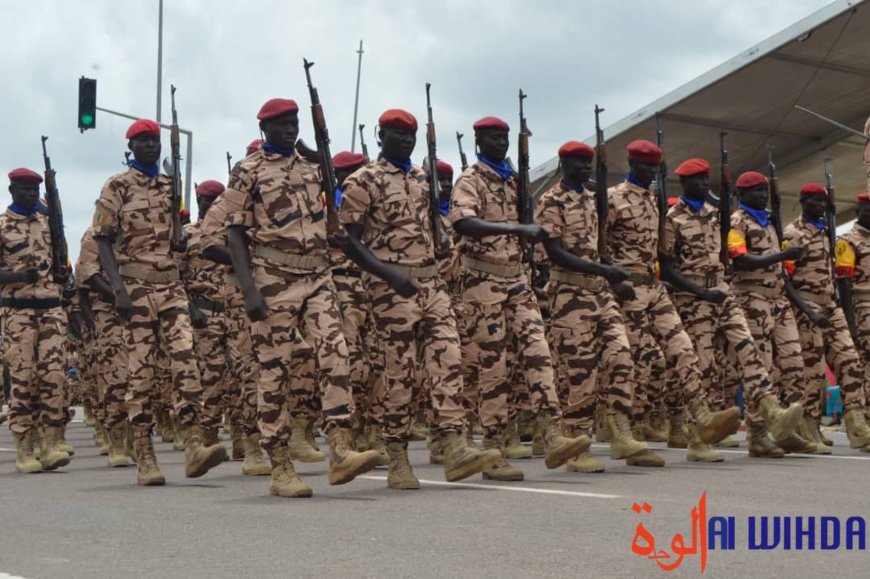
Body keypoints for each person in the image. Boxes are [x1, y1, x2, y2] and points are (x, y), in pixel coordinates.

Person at [339, 108, 503, 489]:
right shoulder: (364, 180)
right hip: (391, 289)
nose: (405, 140)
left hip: (432, 285)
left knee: (449, 360)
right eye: (396, 134)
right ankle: (397, 456)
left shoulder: (420, 178)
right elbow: (348, 240)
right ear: (380, 136)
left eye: (410, 135)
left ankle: (455, 444)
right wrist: (387, 274)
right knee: (401, 373)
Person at [224, 98, 380, 497]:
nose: (290, 130)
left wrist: (317, 151)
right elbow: (235, 234)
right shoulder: (247, 172)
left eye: (294, 123)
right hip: (272, 276)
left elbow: (335, 207)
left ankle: (341, 448)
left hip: (317, 274)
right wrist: (249, 289)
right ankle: (279, 464)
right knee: (274, 369)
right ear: (265, 130)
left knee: (335, 351)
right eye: (281, 125)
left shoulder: (312, 167)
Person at [93, 118, 227, 486]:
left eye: (155, 141)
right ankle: (144, 454)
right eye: (144, 142)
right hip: (134, 287)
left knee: (186, 362)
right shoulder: (116, 187)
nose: (151, 147)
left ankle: (194, 444)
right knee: (142, 371)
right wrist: (117, 288)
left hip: (171, 288)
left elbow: (175, 240)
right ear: (131, 147)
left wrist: (180, 241)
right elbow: (103, 241)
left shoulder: (171, 187)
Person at [663, 158, 803, 461]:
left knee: (749, 349)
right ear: (684, 183)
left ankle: (771, 412)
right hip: (694, 297)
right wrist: (700, 291)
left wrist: (721, 283)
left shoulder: (717, 215)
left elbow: (728, 256)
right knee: (704, 367)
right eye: (697, 179)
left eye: (706, 178)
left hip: (724, 293)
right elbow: (667, 269)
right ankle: (696, 440)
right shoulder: (672, 218)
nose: (704, 184)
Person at [537, 141, 664, 471]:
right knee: (582, 370)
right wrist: (604, 270)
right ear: (563, 164)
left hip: (600, 293)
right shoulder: (551, 201)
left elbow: (602, 246)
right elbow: (555, 252)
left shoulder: (595, 201)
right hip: (569, 294)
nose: (584, 169)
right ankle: (577, 445)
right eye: (578, 163)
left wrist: (611, 275)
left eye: (588, 163)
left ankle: (621, 430)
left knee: (622, 355)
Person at [607, 141, 740, 448]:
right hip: (629, 289)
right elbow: (598, 242)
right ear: (631, 163)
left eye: (655, 167)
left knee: (683, 350)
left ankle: (702, 418)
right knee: (642, 360)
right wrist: (614, 281)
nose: (650, 172)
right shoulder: (613, 198)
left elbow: (661, 255)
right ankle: (626, 429)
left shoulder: (655, 200)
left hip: (654, 288)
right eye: (645, 166)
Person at [728, 171, 821, 455]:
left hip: (778, 299)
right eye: (755, 191)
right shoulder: (736, 222)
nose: (761, 195)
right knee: (763, 368)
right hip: (752, 298)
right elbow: (741, 260)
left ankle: (787, 429)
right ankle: (757, 434)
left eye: (764, 190)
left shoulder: (768, 221)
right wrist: (782, 256)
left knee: (794, 364)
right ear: (741, 194)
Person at [783, 183, 870, 451]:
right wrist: (806, 311)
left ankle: (857, 425)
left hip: (830, 306)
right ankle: (809, 427)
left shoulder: (826, 232)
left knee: (850, 361)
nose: (821, 206)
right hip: (806, 306)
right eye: (815, 201)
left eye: (823, 202)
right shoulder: (792, 233)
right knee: (814, 371)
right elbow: (784, 279)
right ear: (802, 201)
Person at [0, 168, 71, 473]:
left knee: (54, 375)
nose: (31, 194)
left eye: (34, 190)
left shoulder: (48, 224)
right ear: (12, 190)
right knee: (23, 377)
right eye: (25, 189)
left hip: (52, 308)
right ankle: (24, 446)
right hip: (17, 311)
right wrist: (16, 277)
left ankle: (51, 441)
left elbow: (61, 260)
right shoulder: (2, 226)